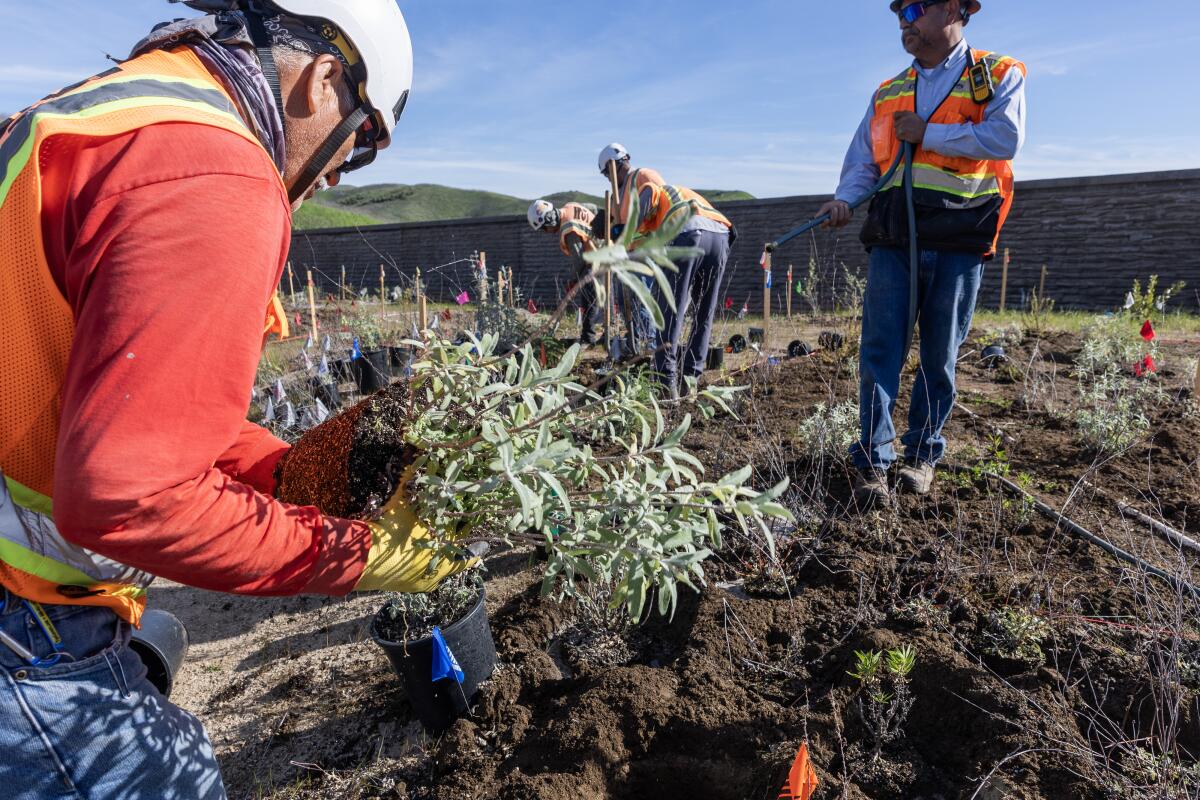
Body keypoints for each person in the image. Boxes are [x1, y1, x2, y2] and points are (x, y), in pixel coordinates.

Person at [0, 2, 471, 797]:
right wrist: (358, 555)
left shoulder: (106, 119)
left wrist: (287, 472)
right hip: (24, 618)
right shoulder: (215, 171)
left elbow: (127, 400)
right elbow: (131, 495)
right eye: (362, 140)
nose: (339, 170)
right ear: (323, 78)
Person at [815, 0, 1026, 509]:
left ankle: (922, 455)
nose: (903, 21)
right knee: (879, 351)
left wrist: (928, 134)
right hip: (894, 237)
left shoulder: (997, 74)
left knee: (939, 355)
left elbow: (1006, 137)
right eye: (898, 13)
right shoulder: (888, 92)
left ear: (953, 8)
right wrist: (845, 199)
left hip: (959, 237)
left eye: (913, 7)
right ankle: (873, 460)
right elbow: (863, 162)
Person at [599, 143, 735, 398]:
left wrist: (624, 234)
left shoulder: (642, 178)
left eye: (607, 174)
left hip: (689, 230)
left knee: (669, 310)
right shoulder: (660, 200)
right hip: (720, 233)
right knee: (704, 312)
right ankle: (691, 379)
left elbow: (650, 196)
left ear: (611, 167)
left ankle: (665, 383)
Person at [527, 199, 603, 345]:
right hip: (603, 249)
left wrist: (573, 280)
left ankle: (588, 338)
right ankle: (599, 336)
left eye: (544, 228)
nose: (547, 232)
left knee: (589, 299)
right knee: (599, 297)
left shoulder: (569, 229)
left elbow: (579, 260)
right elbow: (592, 208)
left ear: (548, 220)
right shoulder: (570, 206)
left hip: (597, 257)